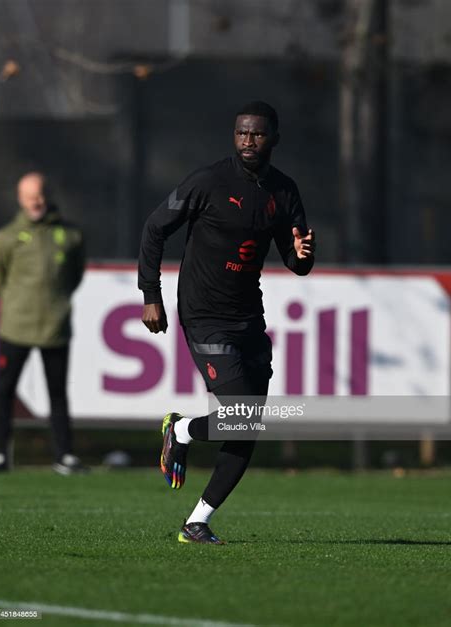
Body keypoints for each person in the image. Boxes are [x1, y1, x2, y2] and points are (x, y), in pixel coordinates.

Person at [139, 102, 316, 544]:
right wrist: (151, 296)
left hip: (247, 317)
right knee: (243, 416)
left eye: (257, 134)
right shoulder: (209, 181)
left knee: (249, 424)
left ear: (273, 137)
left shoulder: (284, 191)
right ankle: (179, 429)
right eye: (241, 133)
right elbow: (154, 228)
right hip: (204, 313)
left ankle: (197, 521)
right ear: (233, 136)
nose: (248, 141)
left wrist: (303, 256)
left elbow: (296, 262)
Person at [0, 172, 87, 474]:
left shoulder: (70, 235)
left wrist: (55, 304)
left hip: (54, 326)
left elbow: (74, 276)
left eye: (40, 193)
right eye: (30, 195)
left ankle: (63, 455)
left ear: (49, 194)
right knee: (5, 391)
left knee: (57, 392)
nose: (36, 201)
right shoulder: (6, 237)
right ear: (20, 199)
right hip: (16, 327)